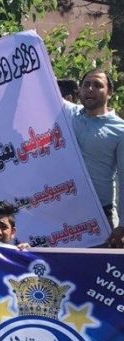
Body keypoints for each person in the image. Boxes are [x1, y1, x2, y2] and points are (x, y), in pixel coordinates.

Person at [64, 68, 124, 248]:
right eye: (86, 85)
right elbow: (42, 89)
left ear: (110, 92)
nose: (90, 89)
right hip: (61, 213)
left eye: (97, 85)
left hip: (99, 216)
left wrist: (122, 225)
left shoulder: (120, 130)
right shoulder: (68, 114)